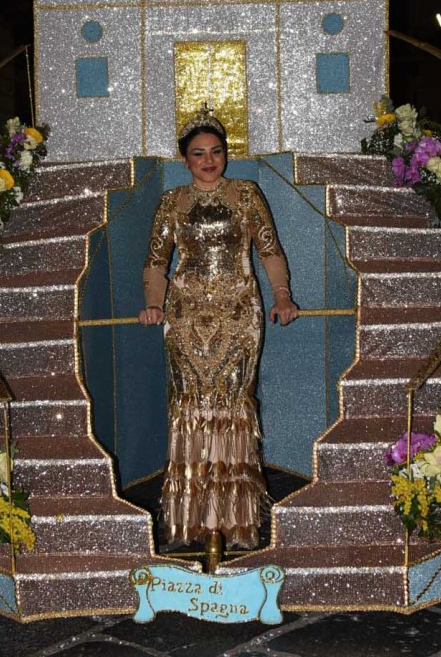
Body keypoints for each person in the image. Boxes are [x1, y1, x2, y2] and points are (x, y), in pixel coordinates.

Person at [139, 107, 298, 550]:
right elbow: (156, 261)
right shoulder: (171, 201)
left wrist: (282, 295)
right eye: (198, 154)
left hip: (238, 316)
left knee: (232, 406)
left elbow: (269, 250)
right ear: (185, 160)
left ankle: (237, 522)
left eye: (216, 152)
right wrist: (153, 304)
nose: (209, 160)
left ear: (226, 155)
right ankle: (190, 522)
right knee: (190, 407)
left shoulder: (246, 194)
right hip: (186, 316)